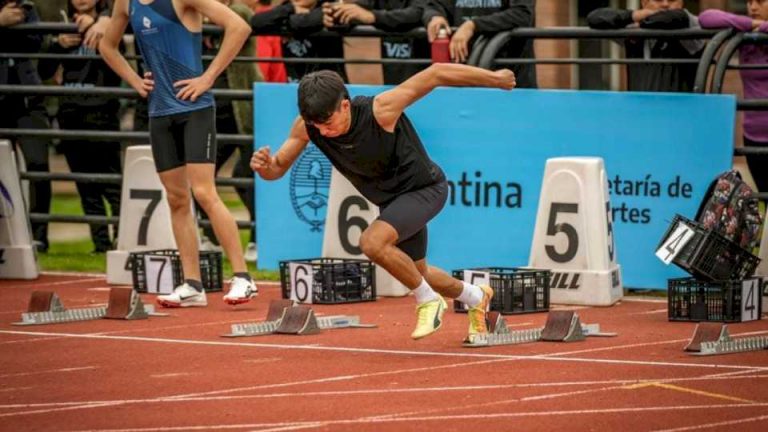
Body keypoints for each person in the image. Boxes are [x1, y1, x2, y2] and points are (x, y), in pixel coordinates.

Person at [250, 63, 515, 341]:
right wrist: (266, 166)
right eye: (316, 125)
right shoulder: (308, 127)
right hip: (392, 202)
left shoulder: (380, 111)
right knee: (418, 270)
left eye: (327, 123)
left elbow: (436, 73)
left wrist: (495, 79)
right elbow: (277, 168)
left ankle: (428, 300)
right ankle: (476, 296)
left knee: (372, 243)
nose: (323, 132)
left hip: (425, 189)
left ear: (344, 106)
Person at [99, 0, 257, 307]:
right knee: (176, 199)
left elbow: (240, 27)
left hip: (195, 109)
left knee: (204, 193)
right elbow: (108, 46)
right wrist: (134, 81)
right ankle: (192, 284)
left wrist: (208, 78)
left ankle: (243, 277)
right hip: (159, 112)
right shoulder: (125, 3)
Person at [39, 0, 123, 254]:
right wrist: (57, 46)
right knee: (85, 185)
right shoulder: (62, 23)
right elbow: (43, 70)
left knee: (113, 184)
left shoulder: (113, 21)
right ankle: (100, 244)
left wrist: (103, 23)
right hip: (70, 112)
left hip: (102, 111)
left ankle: (123, 239)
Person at [197, 0, 262, 262]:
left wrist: (204, 17)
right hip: (214, 111)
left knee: (246, 176)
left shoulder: (237, 10)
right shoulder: (196, 12)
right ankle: (209, 237)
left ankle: (258, 238)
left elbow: (242, 18)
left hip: (242, 109)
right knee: (201, 176)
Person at [699, 1, 768, 196]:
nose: (753, 7)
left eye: (761, 2)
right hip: (753, 135)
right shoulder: (746, 37)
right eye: (749, 2)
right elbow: (707, 17)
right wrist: (751, 24)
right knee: (763, 196)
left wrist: (760, 27)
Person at [0, 0, 52, 253]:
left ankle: (40, 236)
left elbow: (36, 41)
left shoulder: (27, 8)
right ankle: (7, 236)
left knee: (38, 164)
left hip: (27, 98)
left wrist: (13, 25)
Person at [586, 0, 705, 92]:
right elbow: (594, 18)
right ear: (644, 3)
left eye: (672, 0)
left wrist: (642, 22)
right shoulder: (636, 27)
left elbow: (675, 17)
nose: (665, 4)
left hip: (680, 111)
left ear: (682, 3)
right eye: (658, 0)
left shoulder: (691, 23)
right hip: (640, 110)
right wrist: (633, 15)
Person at [422, 0, 536, 88]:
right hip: (460, 78)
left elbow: (523, 13)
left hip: (510, 78)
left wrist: (473, 25)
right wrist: (435, 17)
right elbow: (432, 6)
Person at [322, 0, 429, 85]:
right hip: (394, 71)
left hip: (425, 67)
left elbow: (417, 13)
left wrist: (373, 16)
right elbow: (361, 9)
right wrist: (338, 14)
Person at [250, 0, 347, 82]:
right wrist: (293, 11)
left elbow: (345, 19)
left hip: (325, 86)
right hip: (290, 86)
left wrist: (288, 22)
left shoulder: (329, 8)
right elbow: (255, 22)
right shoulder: (285, 8)